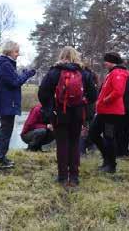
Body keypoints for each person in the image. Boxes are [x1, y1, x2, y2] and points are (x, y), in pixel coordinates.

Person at [38, 46, 97, 187]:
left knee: (62, 144)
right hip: (77, 113)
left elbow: (42, 93)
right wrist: (83, 102)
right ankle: (74, 177)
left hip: (59, 113)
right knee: (75, 143)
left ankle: (63, 177)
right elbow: (94, 95)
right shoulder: (84, 72)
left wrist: (50, 109)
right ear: (76, 56)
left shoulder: (54, 71)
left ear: (61, 56)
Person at [0, 40, 36, 169]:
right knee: (5, 131)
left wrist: (22, 74)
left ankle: (1, 157)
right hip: (7, 104)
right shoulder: (5, 65)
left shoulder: (7, 64)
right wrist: (27, 74)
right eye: (16, 51)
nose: (18, 54)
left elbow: (14, 80)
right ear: (9, 51)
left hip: (7, 103)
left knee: (6, 131)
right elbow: (15, 83)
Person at [88, 52, 129, 173]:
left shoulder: (118, 73)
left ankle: (111, 164)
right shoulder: (112, 73)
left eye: (106, 61)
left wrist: (105, 100)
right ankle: (107, 159)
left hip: (111, 112)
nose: (104, 63)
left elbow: (118, 92)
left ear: (111, 61)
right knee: (93, 133)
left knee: (109, 137)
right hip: (104, 111)